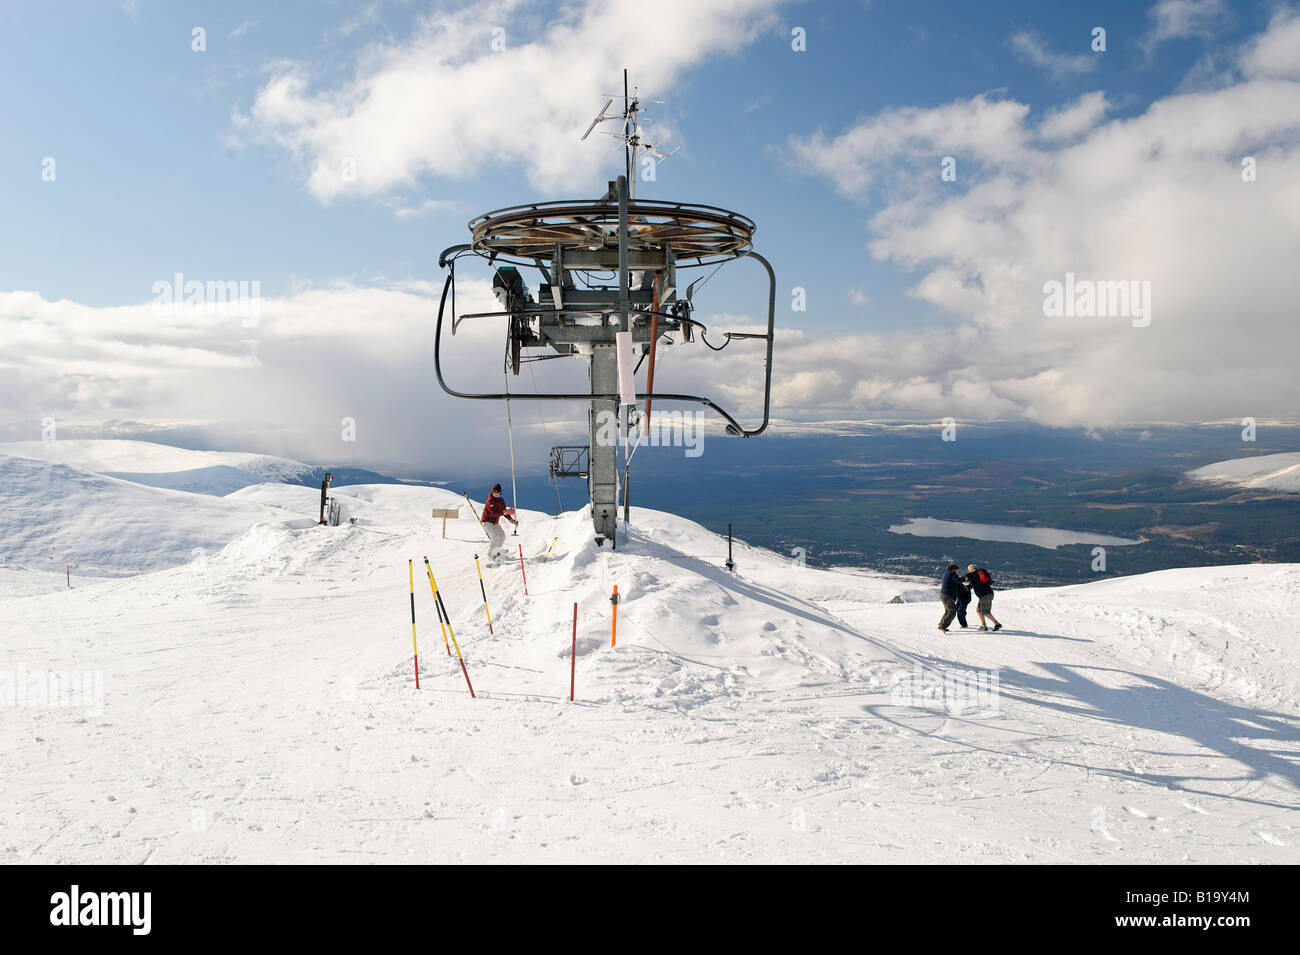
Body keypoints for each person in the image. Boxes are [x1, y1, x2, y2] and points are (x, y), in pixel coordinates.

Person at [481, 483, 517, 565]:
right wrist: (506, 512)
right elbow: (493, 513)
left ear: (500, 492)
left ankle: (497, 552)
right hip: (487, 522)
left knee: (502, 536)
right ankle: (491, 556)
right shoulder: (490, 500)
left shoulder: (501, 500)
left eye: (497, 492)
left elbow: (504, 511)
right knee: (494, 537)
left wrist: (511, 519)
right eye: (494, 492)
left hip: (495, 522)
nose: (496, 493)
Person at [965, 564, 1002, 631]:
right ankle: (984, 625)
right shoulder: (976, 576)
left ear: (970, 570)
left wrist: (965, 576)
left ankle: (997, 624)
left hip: (985, 595)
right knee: (979, 611)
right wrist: (965, 587)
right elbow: (970, 586)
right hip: (985, 595)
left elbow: (968, 576)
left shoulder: (974, 574)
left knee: (985, 611)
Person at [938, 563, 963, 632]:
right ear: (954, 569)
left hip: (944, 594)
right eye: (957, 570)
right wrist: (965, 578)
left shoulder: (946, 573)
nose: (957, 572)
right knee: (952, 611)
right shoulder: (952, 573)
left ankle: (941, 624)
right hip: (947, 595)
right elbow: (958, 580)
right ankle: (943, 626)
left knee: (948, 611)